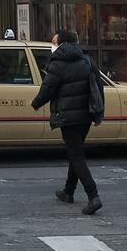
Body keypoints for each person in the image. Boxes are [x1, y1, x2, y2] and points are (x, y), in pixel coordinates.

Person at [31, 29, 102, 216]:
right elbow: (98, 86)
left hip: (67, 116)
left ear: (62, 44)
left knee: (76, 156)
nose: (52, 45)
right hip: (85, 115)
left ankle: (93, 195)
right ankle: (68, 191)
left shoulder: (58, 63)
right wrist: (98, 114)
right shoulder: (86, 60)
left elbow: (48, 87)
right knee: (75, 153)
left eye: (54, 42)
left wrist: (36, 103)